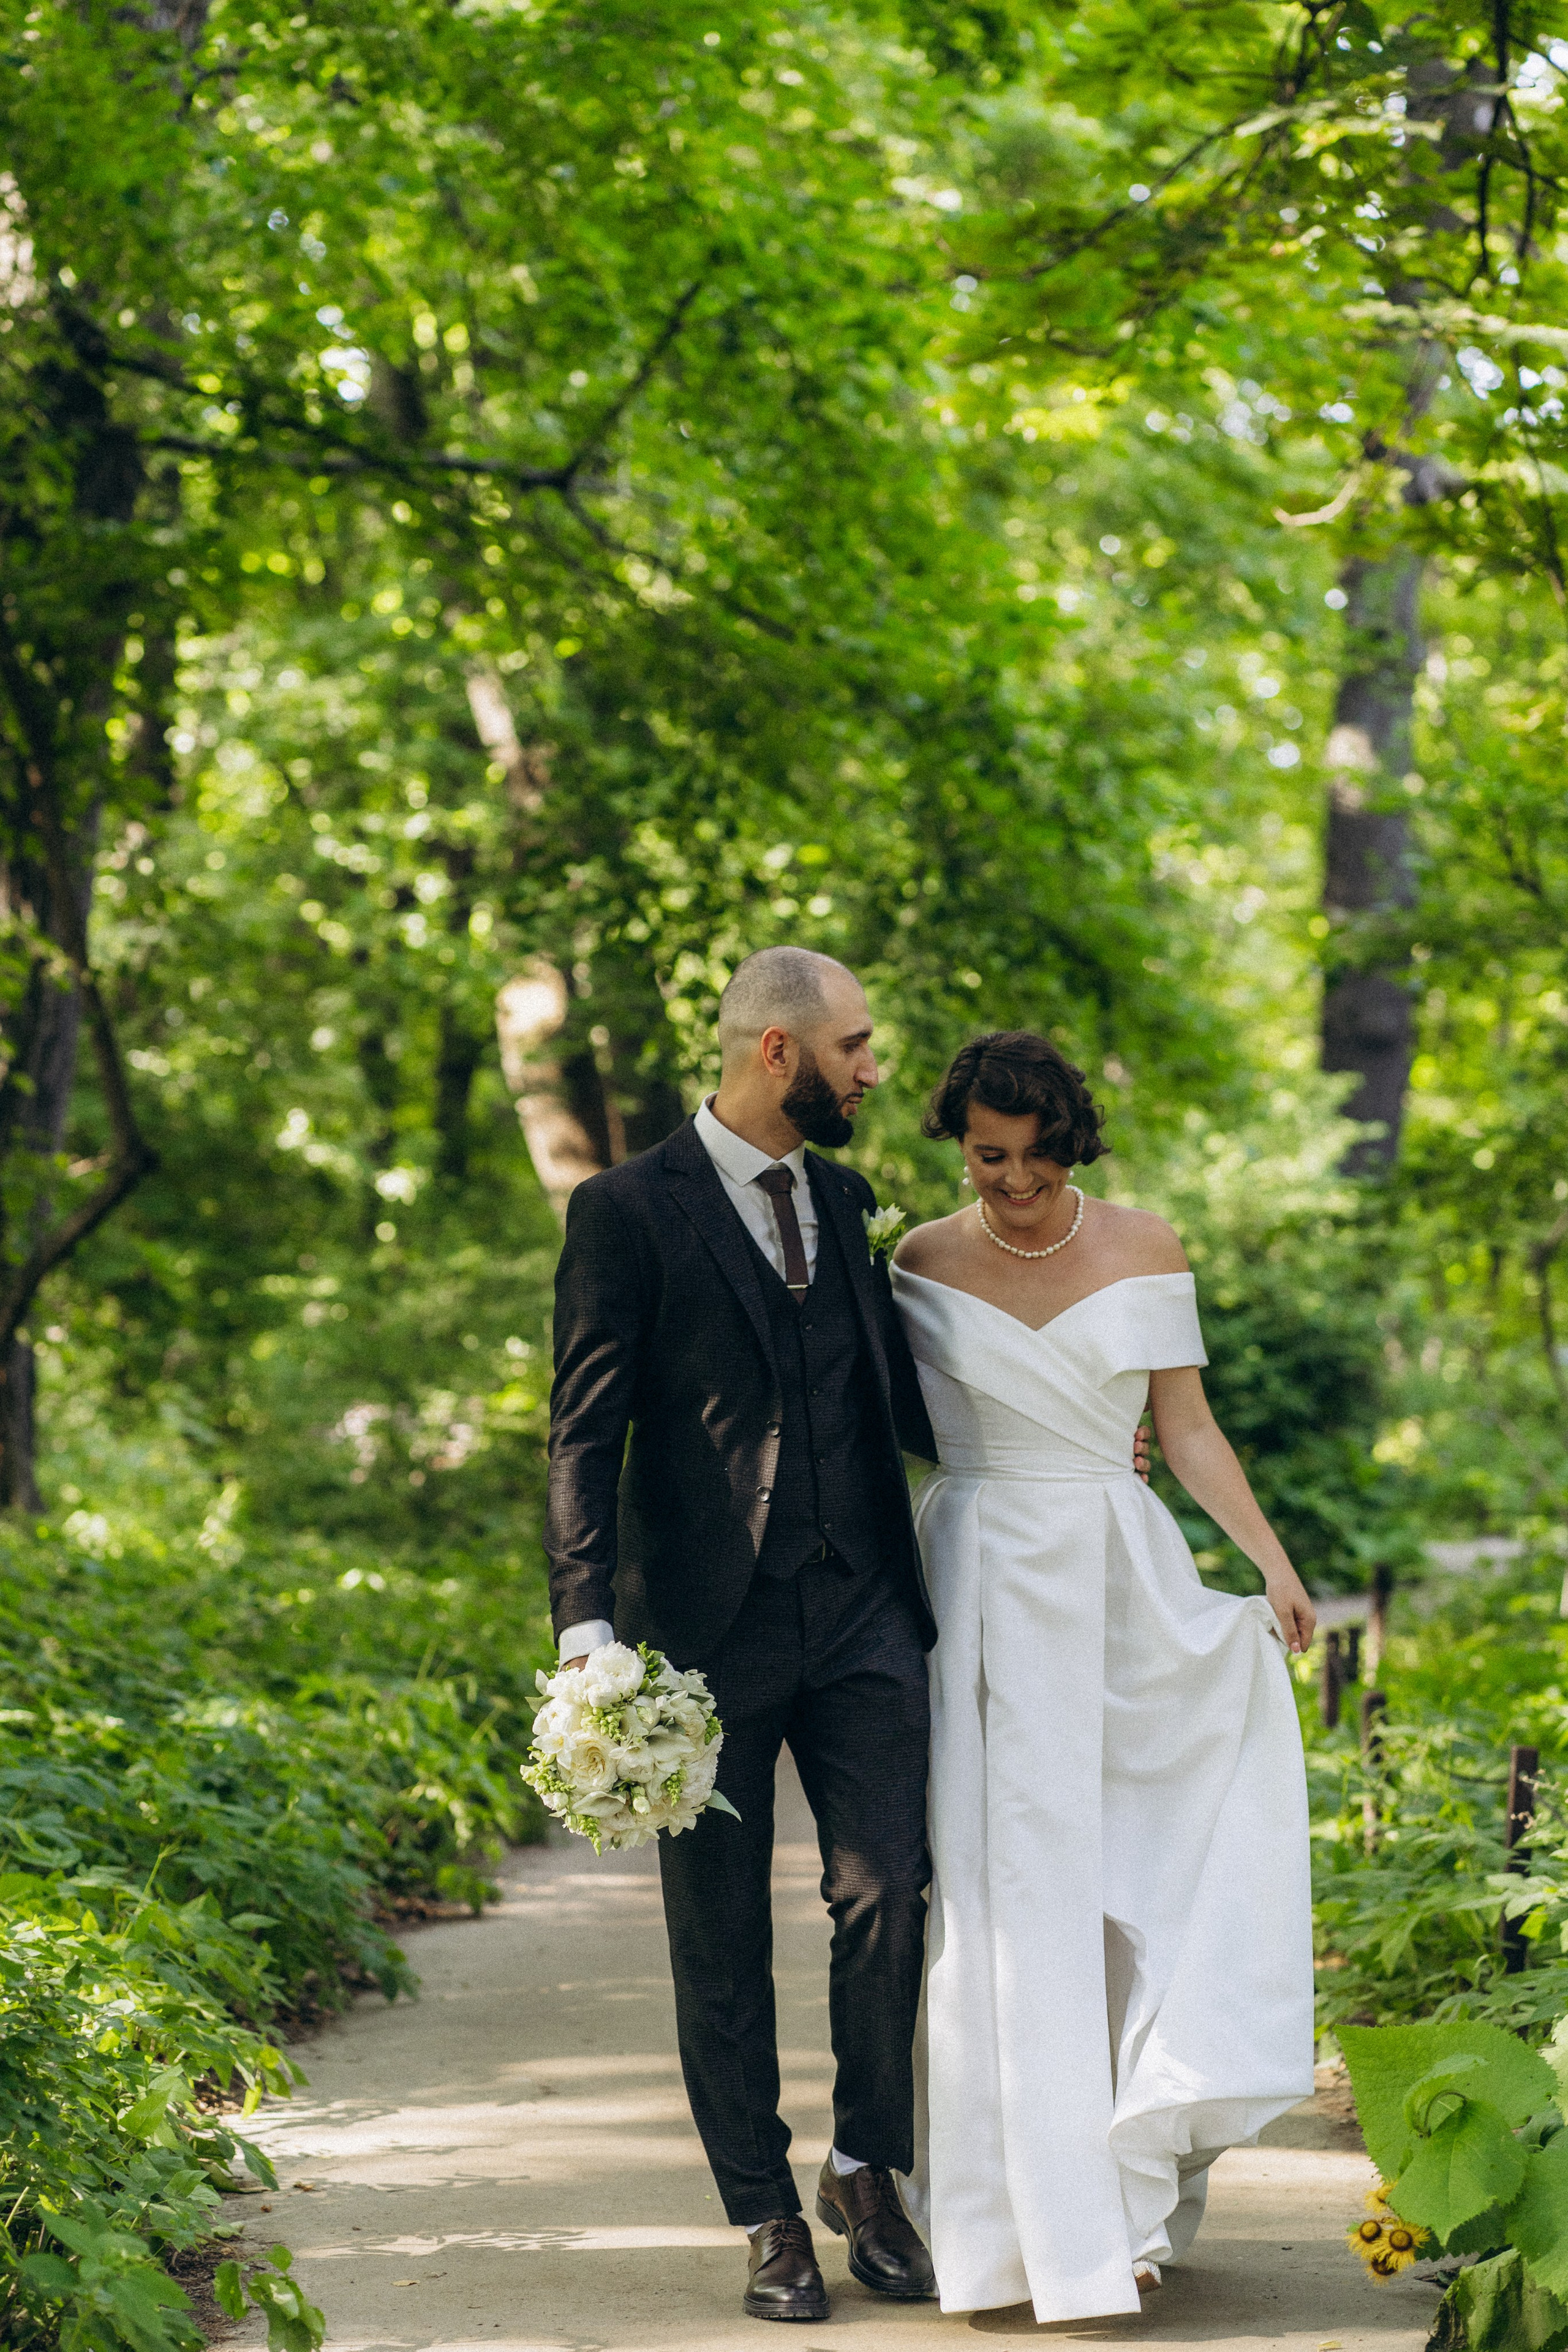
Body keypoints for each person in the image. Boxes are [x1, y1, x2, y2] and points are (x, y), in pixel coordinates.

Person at [891, 1030, 1316, 2326]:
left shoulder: (1146, 1246)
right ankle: (1001, 2222)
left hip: (1115, 1579)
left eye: (1032, 1156)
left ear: (1069, 1142)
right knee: (998, 1898)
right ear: (957, 1140)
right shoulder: (912, 1260)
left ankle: (1118, 2210)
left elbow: (1180, 1423)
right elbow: (877, 1428)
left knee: (1124, 1878)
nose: (1010, 1184)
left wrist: (1269, 1563)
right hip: (971, 1581)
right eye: (985, 1156)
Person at [544, 946, 941, 2323]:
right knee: (717, 1936)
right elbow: (583, 1430)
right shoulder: (624, 1209)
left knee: (888, 1889)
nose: (871, 1070)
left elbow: (889, 1393)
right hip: (699, 1637)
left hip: (866, 1614)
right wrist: (586, 1628)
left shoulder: (842, 1197)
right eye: (854, 1046)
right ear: (776, 1051)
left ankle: (865, 2170)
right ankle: (766, 2212)